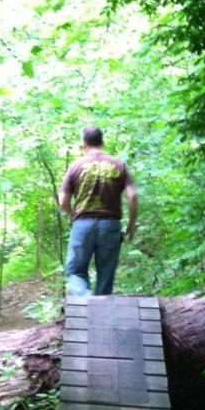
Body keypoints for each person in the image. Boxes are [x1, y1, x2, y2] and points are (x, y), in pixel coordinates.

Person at [59, 126, 138, 296]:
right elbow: (132, 197)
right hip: (110, 226)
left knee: (75, 271)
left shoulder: (76, 166)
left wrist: (73, 215)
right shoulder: (118, 164)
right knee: (106, 275)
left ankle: (86, 300)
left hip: (83, 224)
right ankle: (100, 312)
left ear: (84, 144)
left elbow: (63, 201)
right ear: (102, 142)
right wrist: (131, 225)